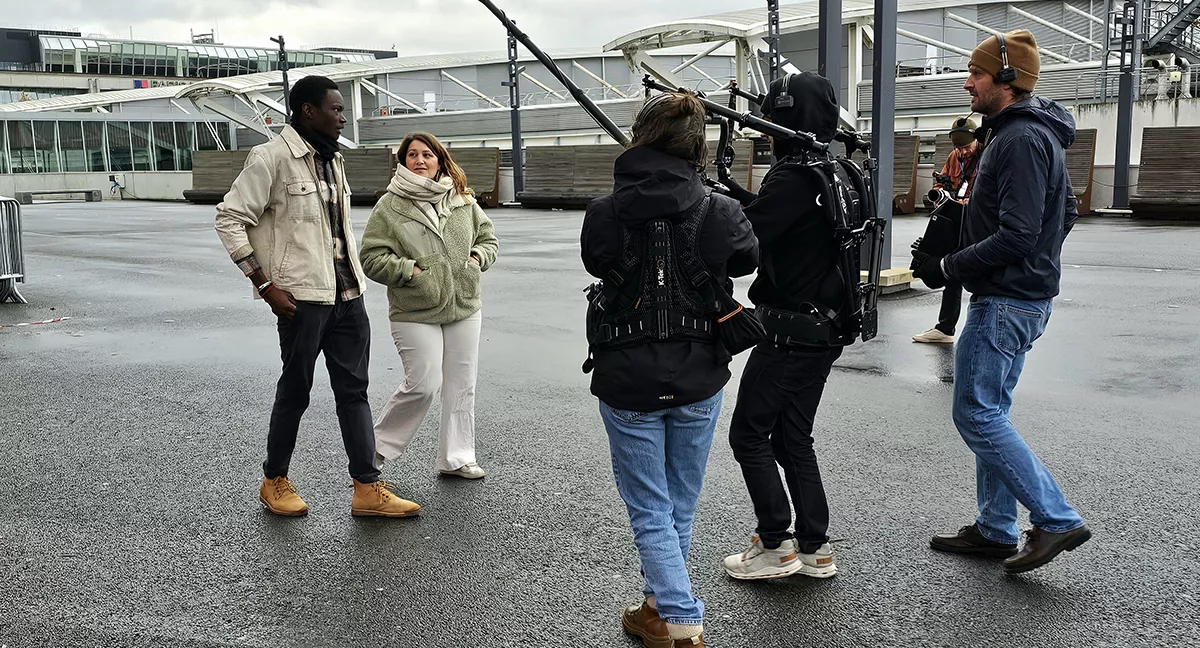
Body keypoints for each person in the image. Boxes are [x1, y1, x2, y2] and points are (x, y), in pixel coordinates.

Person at [581, 92, 758, 648]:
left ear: (641, 136)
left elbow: (596, 261)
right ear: (696, 146)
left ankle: (679, 620)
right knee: (679, 500)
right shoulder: (720, 209)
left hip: (627, 376)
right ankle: (658, 607)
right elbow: (748, 259)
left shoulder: (605, 211)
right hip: (700, 374)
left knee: (649, 507)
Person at [910, 29, 1090, 574]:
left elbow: (1018, 233)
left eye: (977, 73)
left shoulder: (1019, 139)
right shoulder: (1029, 134)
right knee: (991, 410)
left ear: (1007, 79)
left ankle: (1056, 519)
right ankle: (995, 527)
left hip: (1006, 301)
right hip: (1020, 296)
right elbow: (1063, 214)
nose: (967, 83)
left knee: (975, 412)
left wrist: (948, 267)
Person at [215, 75, 419, 519]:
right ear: (308, 110)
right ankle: (274, 480)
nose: (343, 117)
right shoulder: (270, 158)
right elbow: (229, 219)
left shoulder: (334, 159)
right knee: (296, 390)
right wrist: (265, 285)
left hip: (349, 296)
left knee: (355, 392)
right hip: (302, 300)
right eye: (336, 109)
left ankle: (367, 487)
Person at [718, 72, 850, 582]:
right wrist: (733, 193)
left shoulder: (792, 177)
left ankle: (776, 543)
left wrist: (713, 210)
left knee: (748, 434)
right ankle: (815, 547)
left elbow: (746, 245)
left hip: (790, 332)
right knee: (793, 437)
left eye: (771, 120)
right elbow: (778, 220)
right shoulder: (833, 170)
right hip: (825, 327)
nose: (766, 132)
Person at [360, 132, 498, 481]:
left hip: (464, 304)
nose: (419, 160)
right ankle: (372, 450)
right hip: (415, 309)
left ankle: (457, 457)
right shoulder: (390, 205)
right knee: (423, 383)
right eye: (412, 155)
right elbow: (371, 257)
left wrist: (477, 258)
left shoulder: (462, 199)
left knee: (462, 383)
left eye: (427, 154)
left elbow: (488, 238)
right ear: (402, 161)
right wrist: (411, 271)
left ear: (439, 160)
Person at [913, 116, 980, 344]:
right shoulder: (955, 156)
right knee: (952, 268)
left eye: (966, 146)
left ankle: (978, 329)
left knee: (980, 270)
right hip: (956, 217)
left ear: (976, 140)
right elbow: (941, 183)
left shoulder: (987, 155)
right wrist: (939, 195)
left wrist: (968, 201)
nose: (962, 152)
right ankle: (945, 328)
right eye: (958, 147)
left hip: (977, 219)